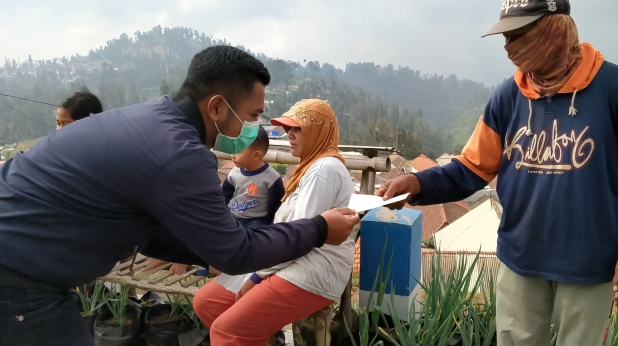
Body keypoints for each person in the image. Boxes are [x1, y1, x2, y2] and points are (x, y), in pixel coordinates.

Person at [0, 46, 358, 346]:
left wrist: (209, 245)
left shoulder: (152, 120)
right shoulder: (180, 153)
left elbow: (153, 231)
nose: (253, 130)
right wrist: (319, 230)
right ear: (216, 107)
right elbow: (236, 253)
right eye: (252, 117)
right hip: (18, 279)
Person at [377, 1, 618, 345]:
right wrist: (418, 182)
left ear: (554, 29)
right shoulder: (508, 97)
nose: (508, 47)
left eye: (518, 34)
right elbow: (470, 168)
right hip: (520, 257)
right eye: (506, 36)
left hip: (590, 263)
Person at [194, 99, 356, 346]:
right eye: (288, 128)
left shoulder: (324, 169)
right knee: (207, 303)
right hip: (285, 259)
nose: (289, 134)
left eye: (298, 128)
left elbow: (301, 238)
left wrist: (257, 277)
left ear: (319, 130)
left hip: (310, 270)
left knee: (227, 333)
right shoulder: (311, 165)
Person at [146, 125, 284, 275]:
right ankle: (186, 259)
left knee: (253, 241)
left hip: (256, 221)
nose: (232, 154)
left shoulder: (272, 178)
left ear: (256, 155)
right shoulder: (235, 173)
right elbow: (223, 197)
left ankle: (223, 268)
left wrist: (270, 226)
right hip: (232, 217)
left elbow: (276, 207)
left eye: (238, 150)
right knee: (209, 233)